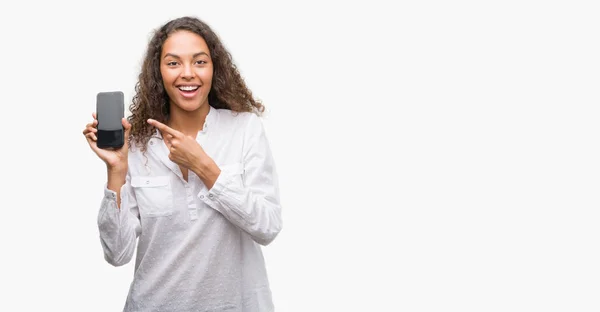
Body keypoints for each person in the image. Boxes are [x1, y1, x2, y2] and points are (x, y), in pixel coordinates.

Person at [82, 16, 283, 312]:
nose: (188, 74)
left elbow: (267, 226)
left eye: (199, 62)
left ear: (215, 68)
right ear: (158, 72)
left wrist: (205, 167)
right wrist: (116, 172)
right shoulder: (137, 145)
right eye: (173, 63)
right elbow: (117, 253)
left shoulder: (244, 129)